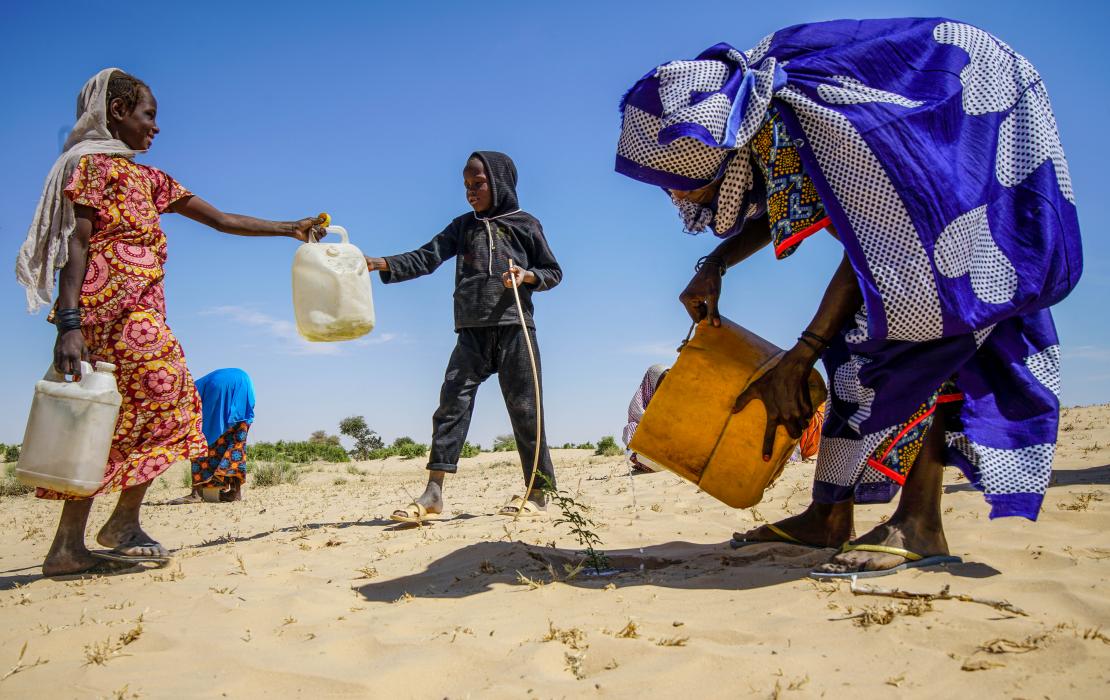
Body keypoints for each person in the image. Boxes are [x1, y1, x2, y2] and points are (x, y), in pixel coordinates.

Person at [614, 19, 1081, 577]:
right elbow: (801, 197)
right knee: (855, 349)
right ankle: (828, 517)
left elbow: (880, 241)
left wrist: (801, 354)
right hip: (906, 198)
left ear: (711, 150)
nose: (675, 195)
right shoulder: (763, 116)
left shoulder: (820, 121)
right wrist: (715, 265)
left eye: (677, 182)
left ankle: (921, 522)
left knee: (925, 331)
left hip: (960, 143)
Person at [15, 69, 326, 576]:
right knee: (171, 399)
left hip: (142, 311)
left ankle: (73, 545)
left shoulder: (150, 178)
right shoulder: (93, 168)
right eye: (148, 115)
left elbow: (222, 219)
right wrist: (67, 322)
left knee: (112, 421)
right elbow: (75, 244)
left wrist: (290, 228)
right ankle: (114, 526)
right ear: (117, 112)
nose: (156, 127)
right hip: (108, 314)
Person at [364, 151, 562, 522]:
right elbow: (427, 257)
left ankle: (538, 492)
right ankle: (433, 493)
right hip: (470, 330)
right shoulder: (462, 227)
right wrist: (381, 264)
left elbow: (553, 271)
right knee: (451, 405)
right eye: (467, 186)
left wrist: (527, 275)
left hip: (514, 327)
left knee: (526, 410)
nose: (471, 192)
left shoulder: (525, 224)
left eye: (478, 184)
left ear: (500, 182)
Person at [166, 369, 256, 504]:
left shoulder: (187, 395)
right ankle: (235, 493)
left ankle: (196, 493)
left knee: (198, 440)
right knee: (235, 447)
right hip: (245, 385)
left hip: (220, 387)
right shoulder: (195, 387)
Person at [622, 364, 669, 473]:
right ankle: (646, 463)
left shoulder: (668, 399)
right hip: (648, 447)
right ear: (653, 381)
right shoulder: (637, 404)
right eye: (662, 381)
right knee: (630, 428)